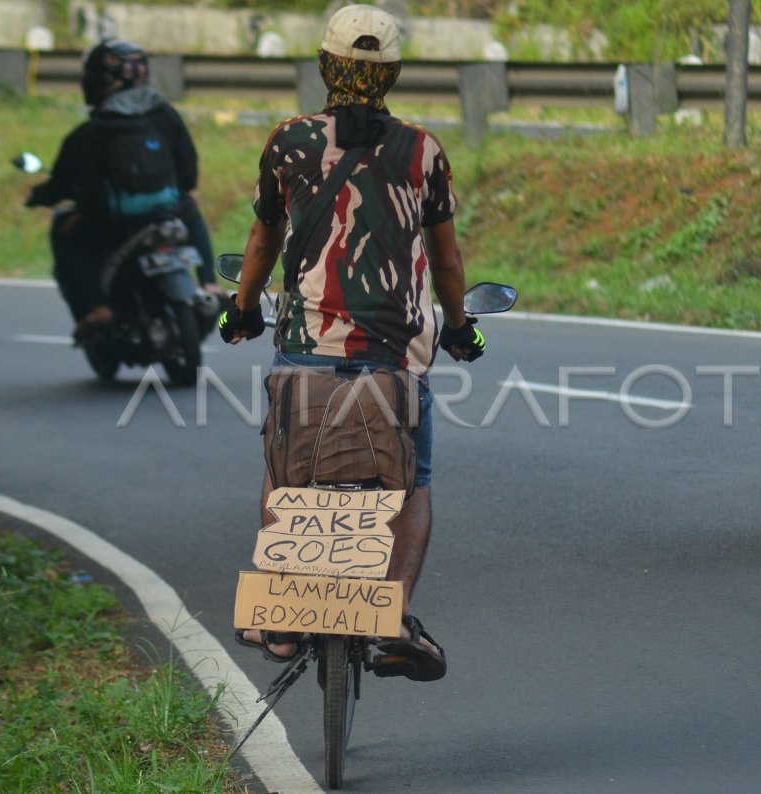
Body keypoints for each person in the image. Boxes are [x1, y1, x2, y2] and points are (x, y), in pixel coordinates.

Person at [219, 4, 485, 682]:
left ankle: (282, 622)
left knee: (285, 470)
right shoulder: (422, 150)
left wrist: (242, 309)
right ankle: (392, 613)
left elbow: (262, 240)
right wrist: (458, 326)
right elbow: (447, 263)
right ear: (391, 74)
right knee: (413, 484)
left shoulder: (288, 141)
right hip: (395, 358)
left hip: (306, 347)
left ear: (324, 68)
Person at [25, 38, 221, 337]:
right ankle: (209, 283)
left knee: (65, 233)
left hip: (116, 224)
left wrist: (38, 196)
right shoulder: (165, 114)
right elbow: (188, 169)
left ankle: (97, 307)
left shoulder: (93, 130)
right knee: (189, 207)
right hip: (167, 216)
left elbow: (74, 184)